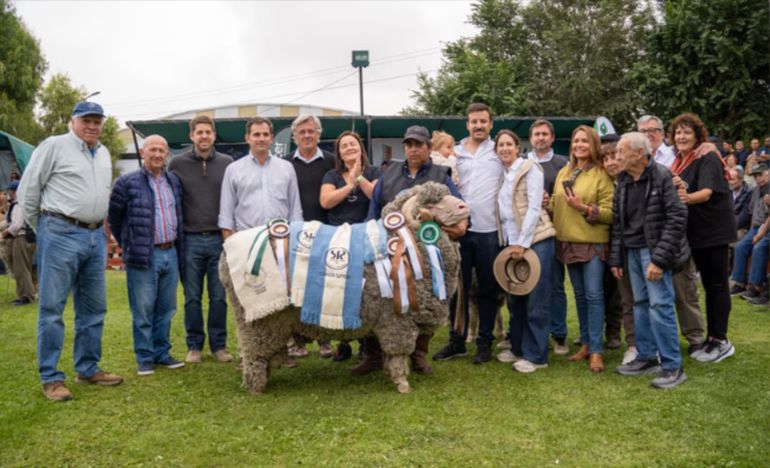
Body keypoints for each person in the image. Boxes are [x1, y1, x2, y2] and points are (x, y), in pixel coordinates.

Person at [18, 101, 123, 401]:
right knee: (52, 309)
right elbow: (28, 191)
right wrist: (45, 229)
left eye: (97, 121)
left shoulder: (102, 152)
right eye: (86, 120)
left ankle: (88, 368)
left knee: (93, 308)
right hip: (60, 231)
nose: (92, 126)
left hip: (94, 236)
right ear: (73, 121)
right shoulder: (54, 146)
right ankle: (51, 378)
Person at [359, 125, 462, 376]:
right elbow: (374, 210)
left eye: (419, 145)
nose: (413, 149)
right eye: (409, 145)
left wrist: (435, 222)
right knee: (378, 299)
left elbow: (459, 213)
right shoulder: (389, 172)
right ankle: (373, 355)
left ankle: (418, 355)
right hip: (388, 251)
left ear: (428, 147)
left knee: (424, 305)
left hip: (426, 258)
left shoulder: (441, 176)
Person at [610, 132, 688, 389]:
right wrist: (616, 258)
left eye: (621, 151)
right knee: (640, 304)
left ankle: (672, 366)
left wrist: (658, 260)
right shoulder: (622, 181)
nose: (616, 156)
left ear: (638, 154)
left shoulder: (662, 176)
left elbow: (677, 218)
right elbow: (618, 224)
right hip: (631, 252)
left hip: (652, 252)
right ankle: (646, 357)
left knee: (660, 305)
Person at [432, 103, 504, 365]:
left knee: (487, 290)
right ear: (467, 124)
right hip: (458, 230)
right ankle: (457, 341)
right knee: (457, 289)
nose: (478, 126)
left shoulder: (499, 151)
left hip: (488, 231)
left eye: (483, 121)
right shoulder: (455, 152)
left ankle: (485, 342)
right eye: (474, 121)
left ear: (490, 124)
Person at [109, 135, 185, 376]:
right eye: (152, 149)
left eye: (162, 150)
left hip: (170, 252)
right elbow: (115, 218)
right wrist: (130, 245)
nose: (157, 154)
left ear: (167, 154)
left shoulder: (173, 181)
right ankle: (144, 357)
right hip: (144, 255)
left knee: (167, 308)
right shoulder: (126, 182)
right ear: (143, 153)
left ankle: (162, 353)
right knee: (143, 309)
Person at [670, 113, 736, 363]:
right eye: (678, 132)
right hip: (694, 233)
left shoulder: (707, 156)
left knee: (716, 286)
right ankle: (710, 339)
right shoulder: (679, 161)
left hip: (713, 232)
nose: (681, 136)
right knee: (704, 287)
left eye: (687, 132)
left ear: (698, 136)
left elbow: (707, 192)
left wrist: (684, 197)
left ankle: (720, 340)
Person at [638, 115, 707, 356]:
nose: (648, 134)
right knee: (653, 297)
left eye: (653, 130)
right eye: (643, 130)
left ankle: (696, 339)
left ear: (661, 133)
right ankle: (658, 343)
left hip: (675, 235)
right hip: (648, 237)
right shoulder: (637, 159)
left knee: (684, 291)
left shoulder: (674, 156)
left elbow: (688, 186)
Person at [168, 116, 234, 365]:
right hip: (191, 240)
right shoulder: (177, 164)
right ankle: (194, 345)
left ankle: (219, 345)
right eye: (199, 132)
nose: (204, 136)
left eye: (208, 132)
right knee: (192, 297)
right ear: (191, 136)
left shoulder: (228, 164)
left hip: (219, 240)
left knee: (219, 297)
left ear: (214, 136)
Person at [551, 125, 614, 372]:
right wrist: (549, 204)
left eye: (585, 142)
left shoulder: (601, 174)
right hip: (567, 241)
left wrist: (584, 208)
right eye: (576, 141)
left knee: (594, 296)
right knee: (579, 297)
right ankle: (586, 343)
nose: (579, 145)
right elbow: (557, 203)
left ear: (593, 145)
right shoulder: (565, 170)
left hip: (592, 242)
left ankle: (597, 350)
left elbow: (610, 213)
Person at [495, 130, 555, 373]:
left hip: (536, 240)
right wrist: (511, 243)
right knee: (516, 298)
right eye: (500, 145)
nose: (505, 148)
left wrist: (523, 242)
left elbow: (532, 208)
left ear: (517, 147)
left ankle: (537, 355)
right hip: (512, 244)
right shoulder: (504, 175)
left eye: (509, 144)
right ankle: (518, 348)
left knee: (536, 301)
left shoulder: (530, 168)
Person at [319, 131, 379, 361]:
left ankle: (367, 343)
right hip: (337, 239)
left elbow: (376, 195)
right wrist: (349, 184)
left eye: (353, 144)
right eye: (344, 146)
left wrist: (360, 178)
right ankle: (343, 343)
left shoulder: (374, 172)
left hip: (365, 238)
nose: (349, 148)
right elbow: (325, 201)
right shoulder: (331, 175)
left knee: (367, 291)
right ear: (339, 152)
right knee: (339, 289)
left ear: (360, 147)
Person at [285, 115, 337, 359]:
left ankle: (325, 339)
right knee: (296, 290)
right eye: (302, 131)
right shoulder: (284, 164)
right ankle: (297, 341)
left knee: (324, 287)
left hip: (326, 234)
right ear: (294, 136)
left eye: (311, 131)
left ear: (319, 133)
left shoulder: (331, 161)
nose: (307, 135)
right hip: (295, 235)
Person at [526, 119, 570, 355]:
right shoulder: (523, 163)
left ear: (552, 138)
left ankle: (559, 334)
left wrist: (550, 202)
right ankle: (525, 331)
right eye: (536, 134)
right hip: (526, 234)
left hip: (554, 231)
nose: (540, 138)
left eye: (544, 134)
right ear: (531, 138)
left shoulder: (564, 164)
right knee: (526, 283)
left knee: (555, 285)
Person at [219, 116, 303, 237]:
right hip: (246, 239)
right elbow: (226, 214)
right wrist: (230, 244)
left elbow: (295, 210)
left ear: (271, 138)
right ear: (247, 138)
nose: (261, 139)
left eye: (265, 134)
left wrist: (294, 240)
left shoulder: (287, 168)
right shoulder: (233, 170)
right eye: (256, 135)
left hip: (281, 238)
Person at [600, 136, 637, 365]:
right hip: (605, 241)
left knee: (621, 294)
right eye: (606, 159)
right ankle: (600, 331)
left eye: (614, 157)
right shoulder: (604, 182)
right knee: (603, 289)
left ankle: (616, 333)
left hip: (627, 244)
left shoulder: (629, 181)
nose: (611, 162)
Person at [729, 164, 770, 302]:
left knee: (758, 248)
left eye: (760, 175)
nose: (758, 179)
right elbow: (752, 213)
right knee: (740, 246)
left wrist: (760, 233)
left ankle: (755, 286)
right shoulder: (755, 191)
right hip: (756, 227)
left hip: (766, 228)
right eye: (755, 176)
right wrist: (753, 232)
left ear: (767, 173)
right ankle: (740, 283)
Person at [2, 181, 37, 305]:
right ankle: (22, 295)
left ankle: (27, 297)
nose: (8, 194)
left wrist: (7, 232)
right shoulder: (19, 204)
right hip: (25, 238)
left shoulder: (19, 204)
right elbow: (8, 221)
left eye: (10, 191)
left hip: (21, 238)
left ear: (16, 191)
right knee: (21, 268)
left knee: (21, 269)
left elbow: (16, 225)